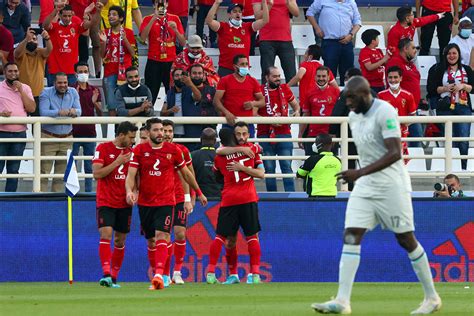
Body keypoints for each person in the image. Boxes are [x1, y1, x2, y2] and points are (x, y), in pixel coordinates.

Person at [311, 76, 442, 315]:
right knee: (351, 234)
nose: (348, 103)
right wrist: (359, 174)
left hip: (392, 185)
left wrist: (359, 171)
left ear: (365, 94)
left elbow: (394, 153)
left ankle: (432, 297)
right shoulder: (352, 117)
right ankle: (342, 301)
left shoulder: (386, 112)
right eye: (346, 98)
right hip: (365, 186)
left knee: (406, 239)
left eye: (351, 98)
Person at [125, 117, 207, 290]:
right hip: (146, 203)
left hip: (166, 201)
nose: (160, 133)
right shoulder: (139, 150)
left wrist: (197, 193)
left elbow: (186, 173)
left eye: (162, 130)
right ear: (147, 132)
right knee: (151, 241)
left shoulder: (174, 150)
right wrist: (129, 191)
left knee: (165, 235)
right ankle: (159, 272)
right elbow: (131, 175)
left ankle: (160, 274)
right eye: (156, 130)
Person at [206, 123, 265, 285]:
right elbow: (261, 173)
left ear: (248, 134)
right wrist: (243, 165)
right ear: (234, 135)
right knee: (251, 237)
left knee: (222, 237)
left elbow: (216, 172)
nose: (241, 137)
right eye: (238, 134)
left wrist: (240, 167)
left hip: (230, 199)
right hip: (247, 198)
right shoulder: (253, 150)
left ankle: (212, 272)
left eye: (244, 133)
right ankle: (252, 274)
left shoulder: (220, 157)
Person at [92, 121, 138, 288]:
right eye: (131, 137)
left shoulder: (133, 153)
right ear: (121, 135)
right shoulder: (103, 149)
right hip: (106, 200)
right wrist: (117, 162)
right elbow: (97, 174)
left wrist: (134, 193)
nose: (133, 141)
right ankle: (105, 274)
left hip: (124, 202)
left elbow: (137, 178)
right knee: (106, 234)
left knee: (119, 240)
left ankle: (114, 276)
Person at [427, 43, 474, 170]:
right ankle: (451, 168)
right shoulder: (436, 68)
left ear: (459, 55)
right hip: (445, 108)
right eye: (449, 53)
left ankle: (463, 168)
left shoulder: (467, 69)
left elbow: (473, 88)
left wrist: (463, 86)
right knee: (450, 140)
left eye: (454, 53)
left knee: (463, 140)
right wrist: (445, 88)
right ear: (445, 55)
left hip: (463, 107)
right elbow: (430, 89)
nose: (451, 56)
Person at [161, 120, 195, 286]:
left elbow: (189, 174)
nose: (167, 134)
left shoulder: (182, 150)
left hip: (181, 198)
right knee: (164, 236)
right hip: (162, 199)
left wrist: (191, 197)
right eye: (164, 131)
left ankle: (177, 272)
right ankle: (165, 274)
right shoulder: (155, 151)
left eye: (169, 131)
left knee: (180, 233)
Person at [258, 66, 300, 192]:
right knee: (269, 169)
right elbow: (253, 114)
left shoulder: (285, 89)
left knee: (286, 167)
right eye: (275, 76)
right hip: (265, 133)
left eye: (279, 76)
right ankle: (272, 198)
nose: (278, 79)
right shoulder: (259, 91)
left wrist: (296, 112)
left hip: (284, 133)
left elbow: (296, 106)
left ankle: (291, 198)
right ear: (267, 77)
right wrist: (269, 120)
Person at [39, 72, 82, 192]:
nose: (63, 85)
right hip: (48, 137)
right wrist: (58, 112)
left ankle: (56, 202)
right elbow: (43, 112)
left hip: (67, 138)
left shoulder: (73, 91)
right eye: (60, 83)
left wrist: (71, 111)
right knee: (43, 172)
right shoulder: (46, 92)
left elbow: (79, 111)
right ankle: (39, 201)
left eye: (65, 82)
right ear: (54, 83)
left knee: (62, 174)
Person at [205, 0, 269, 77]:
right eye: (234, 11)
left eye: (240, 11)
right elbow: (209, 21)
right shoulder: (223, 27)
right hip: (226, 69)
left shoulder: (247, 27)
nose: (238, 13)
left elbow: (265, 20)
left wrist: (264, 3)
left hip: (243, 69)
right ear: (229, 14)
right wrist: (216, 3)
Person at [43, 2, 101, 86]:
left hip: (71, 72)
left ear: (72, 15)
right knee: (54, 98)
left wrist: (98, 11)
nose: (67, 18)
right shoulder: (54, 27)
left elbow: (92, 24)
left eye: (69, 16)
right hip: (55, 72)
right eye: (65, 16)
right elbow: (45, 25)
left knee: (71, 97)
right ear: (59, 15)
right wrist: (55, 10)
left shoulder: (76, 27)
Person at [140, 0, 185, 104]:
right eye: (157, 3)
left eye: (163, 2)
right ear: (153, 5)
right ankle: (149, 117)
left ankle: (172, 117)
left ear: (167, 4)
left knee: (172, 93)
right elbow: (142, 38)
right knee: (151, 94)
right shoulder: (147, 19)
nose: (161, 5)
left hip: (170, 62)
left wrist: (176, 30)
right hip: (154, 61)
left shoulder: (175, 18)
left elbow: (182, 43)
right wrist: (153, 19)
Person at [306, 0, 361, 86]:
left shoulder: (351, 2)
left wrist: (351, 34)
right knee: (329, 72)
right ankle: (329, 97)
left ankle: (347, 96)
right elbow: (309, 13)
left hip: (347, 42)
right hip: (330, 43)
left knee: (348, 72)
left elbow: (357, 21)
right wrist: (317, 28)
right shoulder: (322, 1)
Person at [0, 62, 35, 192]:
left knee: (14, 170)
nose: (13, 74)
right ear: (4, 73)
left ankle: (10, 199)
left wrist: (20, 90)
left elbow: (31, 108)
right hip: (1, 134)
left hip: (19, 134)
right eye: (10, 71)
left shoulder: (25, 88)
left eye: (16, 71)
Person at [328, 68, 365, 191]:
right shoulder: (371, 93)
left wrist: (333, 133)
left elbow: (336, 114)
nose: (345, 81)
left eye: (346, 78)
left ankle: (349, 190)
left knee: (349, 164)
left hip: (350, 136)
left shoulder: (346, 94)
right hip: (368, 137)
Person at [214, 54, 264, 137]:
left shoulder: (253, 81)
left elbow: (262, 101)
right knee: (229, 148)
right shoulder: (225, 80)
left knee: (248, 148)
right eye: (242, 64)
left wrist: (253, 104)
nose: (245, 66)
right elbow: (216, 100)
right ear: (234, 66)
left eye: (246, 64)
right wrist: (227, 113)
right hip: (229, 122)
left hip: (247, 123)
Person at [100, 5, 136, 117]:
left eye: (114, 14)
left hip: (125, 74)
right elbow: (102, 55)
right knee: (111, 104)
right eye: (109, 14)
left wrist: (124, 38)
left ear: (121, 18)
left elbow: (133, 53)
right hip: (109, 72)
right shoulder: (104, 32)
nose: (111, 17)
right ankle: (113, 131)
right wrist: (104, 43)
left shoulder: (128, 32)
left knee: (125, 104)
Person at [386, 38, 422, 147]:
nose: (415, 50)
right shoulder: (395, 62)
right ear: (405, 49)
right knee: (412, 140)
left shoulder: (410, 64)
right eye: (413, 48)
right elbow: (392, 84)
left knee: (416, 140)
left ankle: (414, 163)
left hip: (413, 108)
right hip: (402, 109)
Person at [72, 61, 102, 192]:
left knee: (89, 166)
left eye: (85, 71)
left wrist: (94, 102)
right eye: (80, 72)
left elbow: (101, 113)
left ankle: (88, 193)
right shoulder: (71, 89)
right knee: (71, 164)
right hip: (73, 132)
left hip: (90, 132)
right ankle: (72, 192)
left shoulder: (95, 90)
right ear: (75, 74)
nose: (83, 74)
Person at [378, 66, 417, 163]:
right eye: (390, 77)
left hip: (402, 134)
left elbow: (413, 115)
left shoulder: (408, 95)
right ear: (387, 78)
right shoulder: (380, 95)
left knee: (401, 163)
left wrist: (402, 123)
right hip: (385, 134)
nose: (393, 80)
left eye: (395, 77)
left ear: (401, 78)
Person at [253, 0, 299, 82]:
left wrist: (288, 3)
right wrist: (269, 5)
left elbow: (296, 13)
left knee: (291, 73)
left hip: (286, 39)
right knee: (267, 72)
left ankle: (291, 94)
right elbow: (257, 16)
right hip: (267, 39)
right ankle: (266, 93)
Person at [299, 66, 340, 156]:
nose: (321, 79)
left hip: (330, 135)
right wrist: (300, 134)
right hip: (313, 134)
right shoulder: (309, 92)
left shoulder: (336, 92)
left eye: (323, 76)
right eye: (319, 76)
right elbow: (306, 114)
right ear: (315, 77)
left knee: (330, 166)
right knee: (311, 165)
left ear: (329, 77)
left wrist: (336, 133)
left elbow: (340, 114)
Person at [14, 27, 52, 116]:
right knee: (22, 121)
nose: (32, 41)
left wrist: (47, 38)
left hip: (38, 95)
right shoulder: (21, 53)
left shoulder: (40, 52)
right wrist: (26, 40)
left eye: (34, 39)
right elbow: (16, 52)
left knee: (37, 125)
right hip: (22, 94)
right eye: (30, 39)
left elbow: (49, 50)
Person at [287, 44, 337, 108]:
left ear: (310, 57)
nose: (304, 56)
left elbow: (299, 76)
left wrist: (287, 86)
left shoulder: (305, 64)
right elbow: (335, 87)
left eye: (305, 53)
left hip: (305, 104)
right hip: (320, 104)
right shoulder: (325, 69)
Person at [161, 68, 201, 139]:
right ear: (173, 78)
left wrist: (190, 84)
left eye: (181, 75)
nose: (179, 77)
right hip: (173, 134)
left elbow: (198, 98)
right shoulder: (169, 93)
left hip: (190, 133)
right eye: (176, 75)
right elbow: (162, 113)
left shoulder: (190, 90)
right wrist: (170, 110)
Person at [296, 133, 341, 198]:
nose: (314, 145)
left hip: (315, 196)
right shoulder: (338, 160)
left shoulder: (312, 160)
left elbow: (299, 174)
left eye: (316, 143)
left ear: (320, 145)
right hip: (332, 195)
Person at [191, 127, 222, 198]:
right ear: (215, 141)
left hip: (198, 198)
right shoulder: (222, 156)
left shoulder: (192, 155)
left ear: (201, 140)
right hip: (219, 198)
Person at [358, 29, 389, 93]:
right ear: (373, 41)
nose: (378, 40)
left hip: (381, 83)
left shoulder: (379, 51)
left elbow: (384, 63)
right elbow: (369, 67)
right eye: (377, 38)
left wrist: (389, 55)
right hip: (370, 84)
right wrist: (384, 59)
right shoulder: (364, 52)